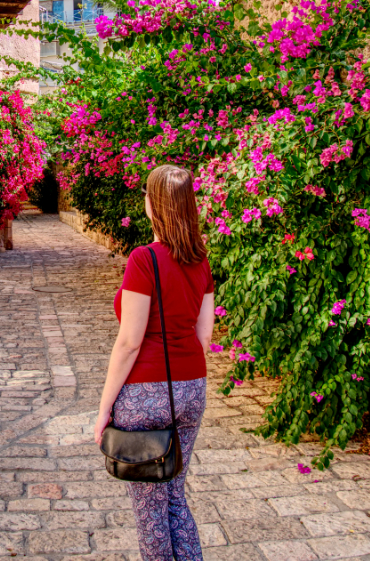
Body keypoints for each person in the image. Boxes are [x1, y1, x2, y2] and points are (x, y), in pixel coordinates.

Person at [94, 164, 216, 561]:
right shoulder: (201, 260)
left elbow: (130, 342)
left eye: (147, 194)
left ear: (156, 205)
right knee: (175, 495)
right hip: (191, 388)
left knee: (150, 513)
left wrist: (104, 408)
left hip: (146, 394)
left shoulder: (144, 260)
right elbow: (204, 337)